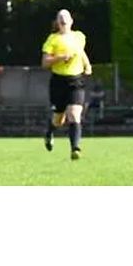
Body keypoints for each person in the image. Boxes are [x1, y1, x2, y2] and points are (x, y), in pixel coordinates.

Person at [41, 9, 92, 160]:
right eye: (60, 18)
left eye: (66, 18)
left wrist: (87, 65)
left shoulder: (79, 36)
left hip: (76, 81)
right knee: (59, 119)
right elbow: (44, 63)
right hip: (58, 82)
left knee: (74, 114)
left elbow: (81, 52)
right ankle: (49, 132)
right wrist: (61, 57)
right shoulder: (52, 39)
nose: (63, 20)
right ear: (57, 22)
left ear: (71, 21)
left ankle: (75, 149)